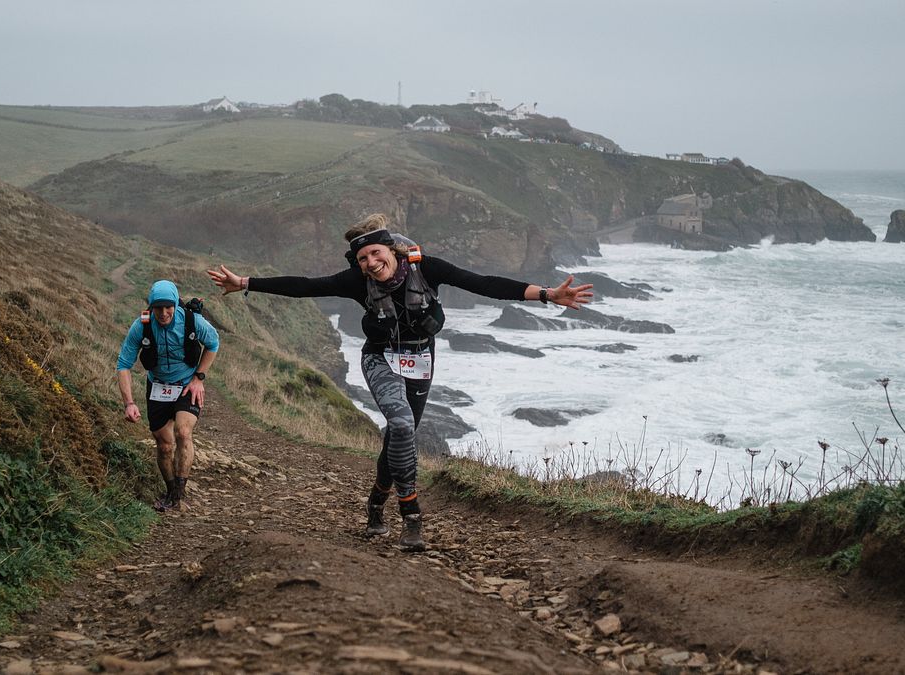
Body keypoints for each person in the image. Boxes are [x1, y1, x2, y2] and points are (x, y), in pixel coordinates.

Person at [207, 214, 592, 550]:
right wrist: (245, 283)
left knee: (398, 436)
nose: (371, 263)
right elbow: (305, 285)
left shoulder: (427, 268)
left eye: (376, 254)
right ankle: (411, 516)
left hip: (422, 360)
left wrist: (545, 294)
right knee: (403, 423)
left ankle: (376, 501)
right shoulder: (357, 282)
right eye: (363, 259)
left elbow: (483, 283)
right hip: (380, 359)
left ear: (391, 250)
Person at [116, 279, 220, 512]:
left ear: (176, 304)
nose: (164, 313)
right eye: (158, 308)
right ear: (151, 307)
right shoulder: (141, 326)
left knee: (183, 431)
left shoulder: (192, 321)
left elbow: (213, 342)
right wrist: (129, 403)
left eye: (168, 307)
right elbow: (123, 364)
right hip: (158, 387)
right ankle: (171, 490)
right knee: (164, 446)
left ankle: (178, 495)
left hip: (186, 385)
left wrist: (198, 378)